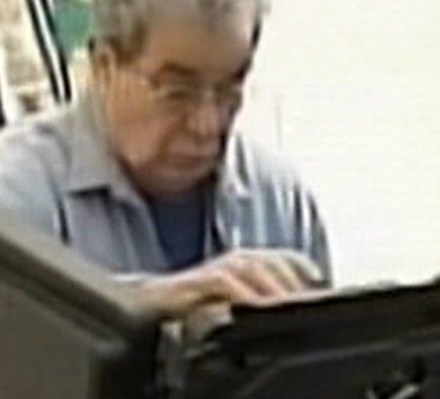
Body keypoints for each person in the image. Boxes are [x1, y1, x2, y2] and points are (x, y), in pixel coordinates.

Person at [0, 0, 330, 318]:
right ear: (104, 67)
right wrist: (154, 303)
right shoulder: (18, 191)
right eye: (177, 93)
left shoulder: (280, 202)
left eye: (229, 89)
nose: (207, 124)